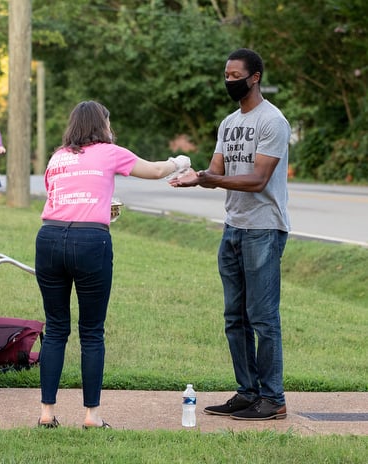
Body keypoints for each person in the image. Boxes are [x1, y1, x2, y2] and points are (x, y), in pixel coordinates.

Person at [35, 100, 190, 429]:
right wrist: (179, 161)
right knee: (91, 332)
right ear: (101, 125)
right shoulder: (109, 151)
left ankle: (46, 412)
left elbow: (56, 198)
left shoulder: (58, 156)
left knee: (55, 328)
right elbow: (154, 171)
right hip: (91, 241)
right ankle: (92, 415)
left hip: (48, 239)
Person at [170, 48, 291, 421]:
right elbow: (217, 170)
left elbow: (256, 180)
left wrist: (209, 178)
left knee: (263, 317)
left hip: (264, 229)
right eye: (225, 75)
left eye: (234, 75)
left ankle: (273, 399)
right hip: (233, 228)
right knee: (233, 317)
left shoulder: (273, 122)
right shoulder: (227, 123)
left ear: (254, 77)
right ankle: (247, 391)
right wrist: (198, 179)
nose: (229, 81)